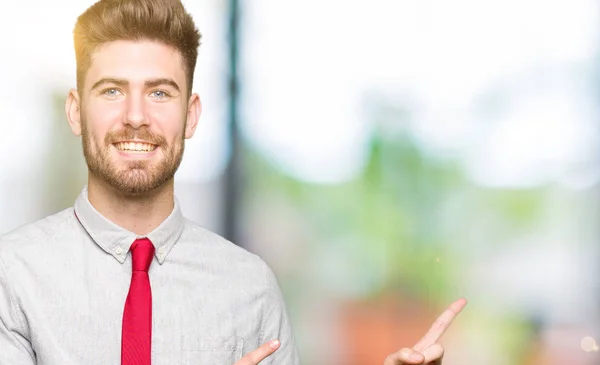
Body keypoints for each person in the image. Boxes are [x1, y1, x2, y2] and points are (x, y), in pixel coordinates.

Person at [0, 0, 466, 364]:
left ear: (192, 115)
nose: (136, 117)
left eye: (160, 92)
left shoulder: (249, 288)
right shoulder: (12, 276)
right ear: (76, 111)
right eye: (113, 91)